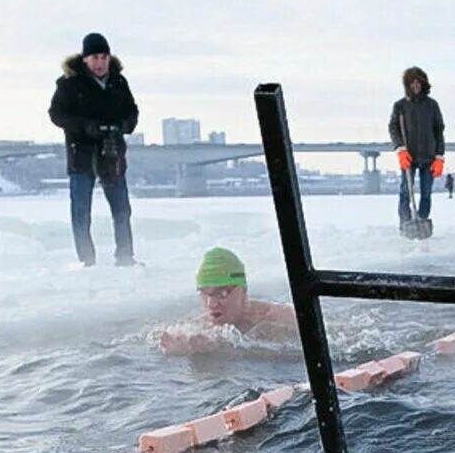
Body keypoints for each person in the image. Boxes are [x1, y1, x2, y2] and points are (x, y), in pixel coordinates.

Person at [49, 32, 140, 267]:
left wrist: (122, 126)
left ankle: (126, 257)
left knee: (122, 210)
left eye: (103, 57)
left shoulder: (119, 82)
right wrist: (85, 126)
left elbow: (132, 112)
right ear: (85, 59)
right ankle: (86, 261)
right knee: (81, 212)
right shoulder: (69, 83)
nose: (100, 63)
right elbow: (56, 114)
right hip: (82, 154)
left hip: (112, 154)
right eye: (95, 58)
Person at [158, 248, 298, 352]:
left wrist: (221, 348)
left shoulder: (282, 318)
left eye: (222, 293)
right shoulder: (198, 328)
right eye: (205, 294)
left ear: (243, 291)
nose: (211, 304)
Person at [387, 66, 445, 233]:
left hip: (429, 156)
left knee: (426, 193)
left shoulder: (432, 105)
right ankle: (405, 224)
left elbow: (439, 130)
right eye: (412, 82)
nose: (415, 85)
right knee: (406, 192)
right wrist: (400, 148)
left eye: (418, 82)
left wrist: (439, 156)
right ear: (407, 85)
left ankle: (423, 221)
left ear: (423, 83)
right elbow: (393, 127)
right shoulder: (400, 106)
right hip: (409, 157)